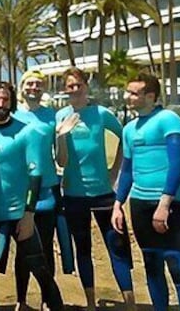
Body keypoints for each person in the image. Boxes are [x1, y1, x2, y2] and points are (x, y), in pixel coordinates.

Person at [111, 72, 180, 311]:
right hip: (139, 204)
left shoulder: (169, 120)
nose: (127, 97)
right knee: (151, 264)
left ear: (150, 96)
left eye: (133, 93)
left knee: (178, 266)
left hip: (170, 205)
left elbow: (177, 164)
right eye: (127, 92)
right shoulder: (129, 129)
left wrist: (164, 204)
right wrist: (118, 204)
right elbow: (127, 171)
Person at [55, 68, 134, 310]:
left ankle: (130, 303)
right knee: (83, 249)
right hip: (74, 195)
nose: (75, 90)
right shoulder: (61, 116)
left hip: (103, 193)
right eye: (70, 86)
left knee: (117, 247)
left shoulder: (101, 114)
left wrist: (115, 170)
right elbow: (61, 162)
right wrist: (61, 136)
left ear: (86, 87)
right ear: (65, 90)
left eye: (78, 85)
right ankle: (90, 303)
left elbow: (126, 139)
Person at [0, 82, 64, 311]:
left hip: (18, 211)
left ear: (12, 102)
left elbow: (35, 175)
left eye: (5, 99)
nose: (0, 104)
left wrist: (28, 214)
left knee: (41, 270)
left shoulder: (25, 131)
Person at [11, 70, 62, 310]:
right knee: (23, 248)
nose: (34, 87)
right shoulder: (12, 116)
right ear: (21, 87)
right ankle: (21, 300)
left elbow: (61, 155)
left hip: (48, 190)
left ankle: (46, 299)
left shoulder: (51, 116)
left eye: (38, 84)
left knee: (46, 249)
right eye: (30, 83)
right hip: (21, 192)